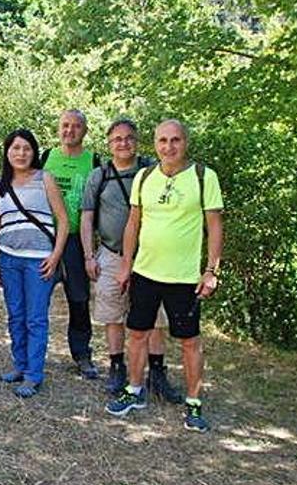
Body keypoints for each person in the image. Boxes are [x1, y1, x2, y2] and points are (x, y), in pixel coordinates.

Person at [106, 119, 224, 433]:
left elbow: (214, 225)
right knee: (138, 334)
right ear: (154, 144)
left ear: (185, 142)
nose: (168, 147)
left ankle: (194, 404)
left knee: (189, 341)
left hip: (185, 278)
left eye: (175, 140)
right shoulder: (145, 177)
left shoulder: (203, 177)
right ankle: (133, 391)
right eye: (162, 141)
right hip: (145, 273)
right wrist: (126, 264)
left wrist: (211, 270)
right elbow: (134, 223)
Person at [80, 119, 183, 401]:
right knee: (112, 313)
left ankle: (157, 374)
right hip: (112, 255)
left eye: (128, 138)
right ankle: (117, 367)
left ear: (137, 141)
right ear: (108, 144)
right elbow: (87, 217)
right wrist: (89, 255)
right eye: (117, 139)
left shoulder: (154, 172)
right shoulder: (98, 176)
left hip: (152, 258)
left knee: (155, 317)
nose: (123, 143)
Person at [0, 129, 68, 397]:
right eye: (15, 148)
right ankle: (20, 366)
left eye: (26, 148)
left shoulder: (45, 178)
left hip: (39, 261)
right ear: (7, 152)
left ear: (34, 152)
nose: (21, 153)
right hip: (8, 258)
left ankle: (34, 375)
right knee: (16, 315)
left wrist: (55, 256)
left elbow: (63, 220)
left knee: (35, 318)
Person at [40, 109, 99, 379]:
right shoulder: (45, 158)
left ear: (85, 131)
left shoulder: (94, 161)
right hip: (44, 239)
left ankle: (82, 354)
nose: (69, 130)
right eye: (65, 125)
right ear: (58, 128)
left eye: (76, 126)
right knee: (38, 298)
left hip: (76, 240)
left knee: (78, 299)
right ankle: (33, 352)